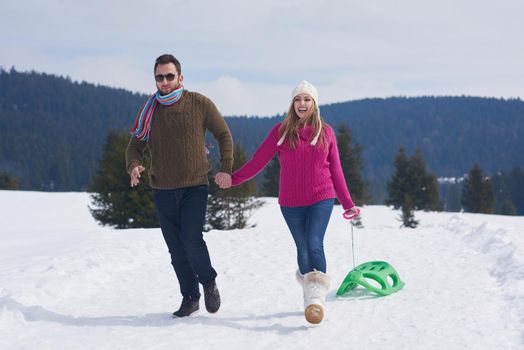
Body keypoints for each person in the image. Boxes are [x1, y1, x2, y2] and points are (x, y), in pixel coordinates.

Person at [215, 80, 360, 324]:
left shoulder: (326, 132)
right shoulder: (281, 132)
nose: (302, 104)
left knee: (314, 242)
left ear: (314, 104)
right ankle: (309, 294)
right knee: (302, 248)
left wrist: (347, 203)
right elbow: (258, 161)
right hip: (291, 202)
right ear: (292, 104)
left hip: (321, 197)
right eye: (297, 99)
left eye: (307, 99)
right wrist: (234, 179)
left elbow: (336, 170)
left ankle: (316, 299)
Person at [126, 54, 233, 318]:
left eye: (169, 76)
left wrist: (226, 168)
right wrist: (134, 165)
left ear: (180, 78)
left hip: (195, 186)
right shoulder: (149, 111)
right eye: (159, 77)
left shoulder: (199, 103)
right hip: (162, 189)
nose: (164, 81)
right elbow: (134, 145)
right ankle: (190, 296)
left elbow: (224, 135)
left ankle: (208, 282)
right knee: (175, 248)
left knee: (191, 239)